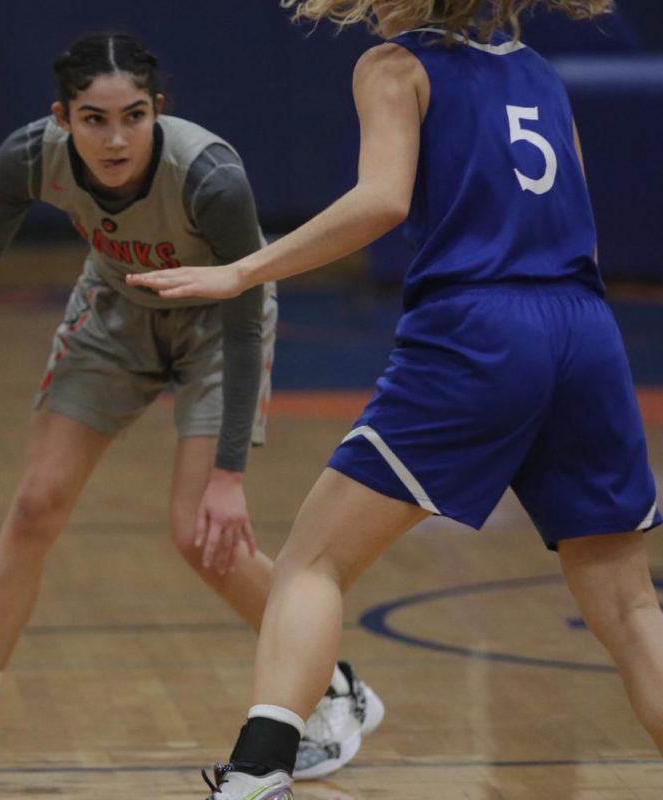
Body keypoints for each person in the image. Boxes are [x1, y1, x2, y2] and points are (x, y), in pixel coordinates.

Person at [0, 31, 384, 790]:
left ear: (158, 111)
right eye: (94, 119)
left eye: (133, 116)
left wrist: (229, 474)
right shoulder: (27, 157)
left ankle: (335, 690)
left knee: (199, 534)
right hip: (113, 318)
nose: (115, 138)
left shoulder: (212, 177)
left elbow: (246, 313)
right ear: (62, 118)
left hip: (218, 327)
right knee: (35, 506)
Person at [129, 2, 663, 798]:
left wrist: (243, 270)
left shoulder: (394, 68)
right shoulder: (539, 72)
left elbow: (382, 200)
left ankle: (256, 772)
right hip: (584, 329)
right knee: (627, 607)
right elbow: (579, 229)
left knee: (312, 563)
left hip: (480, 328)